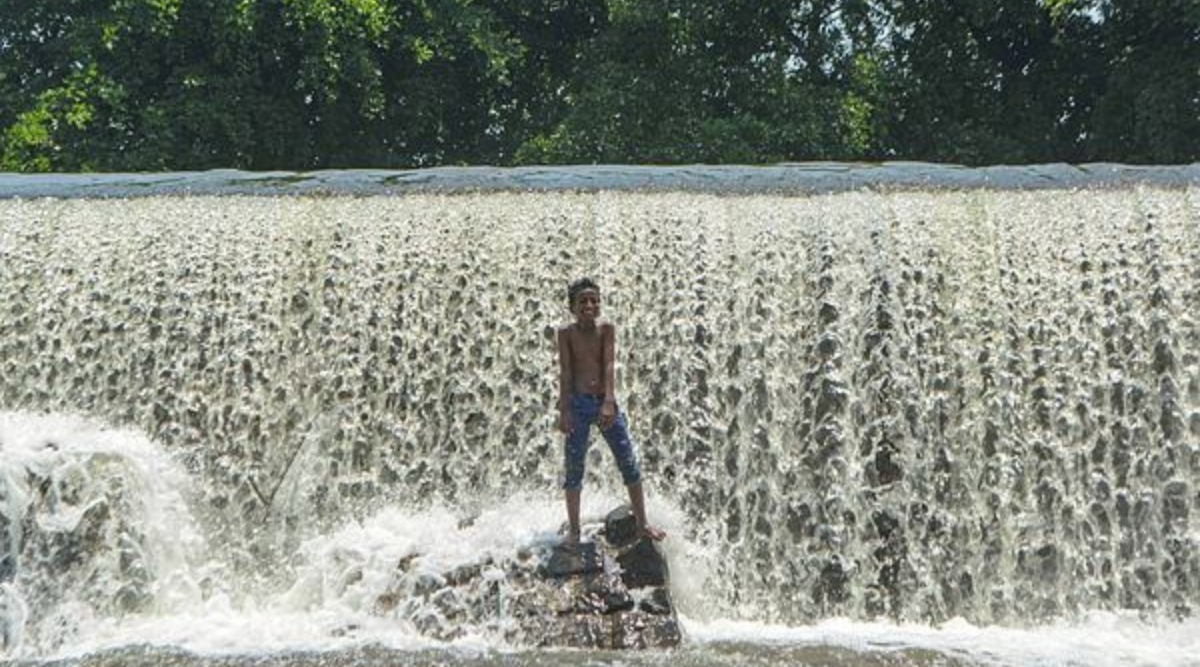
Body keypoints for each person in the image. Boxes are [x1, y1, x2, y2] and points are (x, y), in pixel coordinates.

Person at [556, 277, 665, 544]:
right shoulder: (566, 334)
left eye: (594, 300)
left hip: (604, 402)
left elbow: (608, 365)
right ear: (572, 307)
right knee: (574, 469)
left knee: (628, 462)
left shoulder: (606, 329)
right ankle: (574, 530)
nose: (589, 305)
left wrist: (608, 401)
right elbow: (566, 372)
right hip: (578, 405)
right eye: (583, 301)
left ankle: (642, 524)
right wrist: (565, 410)